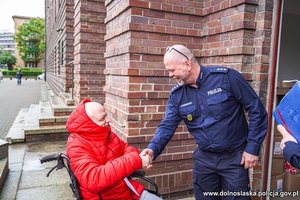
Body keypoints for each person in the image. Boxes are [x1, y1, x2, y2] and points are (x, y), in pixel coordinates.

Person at [141, 44, 268, 200]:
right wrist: (153, 148)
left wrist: (252, 147)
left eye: (172, 70)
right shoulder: (177, 95)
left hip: (234, 159)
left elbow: (257, 110)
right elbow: (167, 126)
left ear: (187, 64)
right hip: (204, 160)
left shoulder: (226, 78)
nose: (170, 75)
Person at [66, 99, 162, 200]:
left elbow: (128, 149)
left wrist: (127, 162)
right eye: (103, 118)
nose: (108, 120)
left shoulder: (107, 134)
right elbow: (94, 179)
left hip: (127, 189)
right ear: (88, 123)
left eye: (106, 115)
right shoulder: (76, 145)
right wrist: (135, 161)